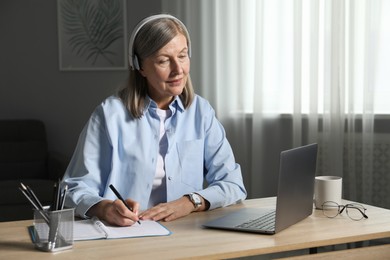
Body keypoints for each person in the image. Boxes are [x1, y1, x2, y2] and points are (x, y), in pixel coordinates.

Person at [62, 14, 247, 227]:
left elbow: (233, 184)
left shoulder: (201, 113)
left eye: (182, 56)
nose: (178, 70)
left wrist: (189, 202)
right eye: (163, 60)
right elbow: (73, 188)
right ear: (140, 66)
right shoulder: (109, 115)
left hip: (186, 232)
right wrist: (103, 208)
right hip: (127, 235)